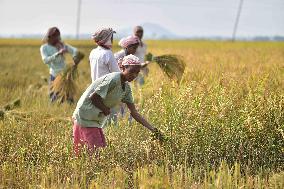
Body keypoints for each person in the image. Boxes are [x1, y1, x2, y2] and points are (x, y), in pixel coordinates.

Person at [72, 55, 160, 155]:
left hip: (94, 119)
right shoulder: (113, 79)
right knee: (97, 152)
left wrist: (153, 129)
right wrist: (105, 109)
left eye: (137, 72)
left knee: (94, 151)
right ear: (123, 68)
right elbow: (94, 97)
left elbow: (134, 113)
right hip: (86, 114)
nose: (134, 75)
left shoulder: (126, 88)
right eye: (132, 71)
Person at [40, 27, 78, 102]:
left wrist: (75, 59)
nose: (58, 39)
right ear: (50, 37)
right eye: (56, 37)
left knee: (69, 96)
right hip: (54, 75)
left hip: (65, 74)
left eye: (58, 37)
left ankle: (71, 111)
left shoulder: (61, 45)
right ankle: (52, 111)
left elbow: (75, 50)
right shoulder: (44, 48)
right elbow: (45, 60)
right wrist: (58, 53)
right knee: (53, 97)